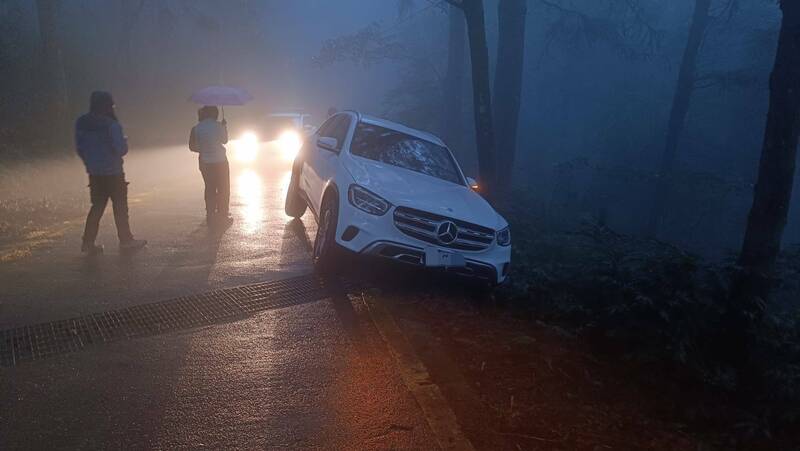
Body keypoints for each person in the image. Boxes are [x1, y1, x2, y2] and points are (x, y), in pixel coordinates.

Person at [75, 91, 147, 255]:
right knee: (120, 207)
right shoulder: (111, 124)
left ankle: (88, 242)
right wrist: (125, 140)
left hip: (94, 173)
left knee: (97, 207)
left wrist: (90, 163)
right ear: (108, 105)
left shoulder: (81, 123)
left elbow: (80, 148)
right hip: (113, 172)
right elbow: (121, 150)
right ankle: (126, 240)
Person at [189, 105, 232, 228]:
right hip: (221, 162)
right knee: (223, 188)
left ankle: (210, 214)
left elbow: (192, 147)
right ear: (215, 114)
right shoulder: (219, 126)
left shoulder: (196, 128)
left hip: (205, 163)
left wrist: (203, 149)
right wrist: (224, 127)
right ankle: (223, 214)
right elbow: (224, 140)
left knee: (209, 188)